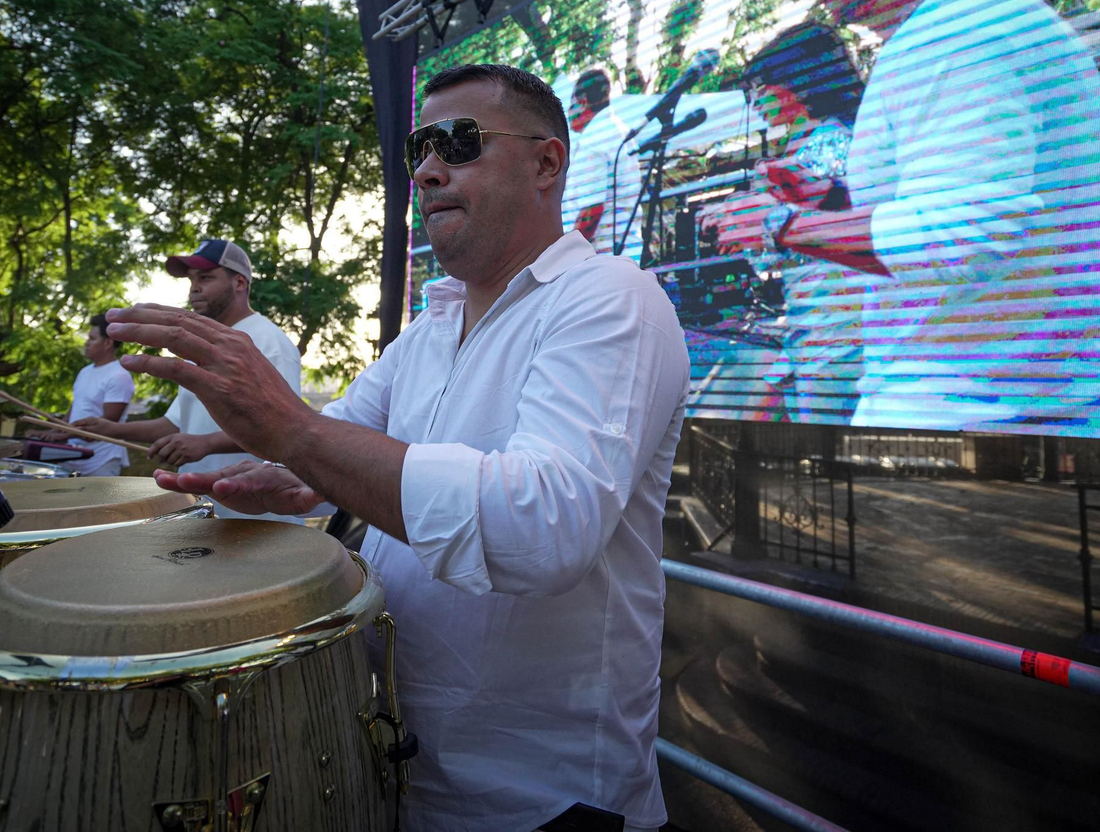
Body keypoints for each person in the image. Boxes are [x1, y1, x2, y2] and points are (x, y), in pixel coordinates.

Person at [105, 64, 690, 831]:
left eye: (458, 142)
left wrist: (297, 435)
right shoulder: (430, 327)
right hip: (400, 768)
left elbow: (547, 527)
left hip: (542, 800)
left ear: (547, 164)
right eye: (420, 148)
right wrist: (297, 473)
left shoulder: (611, 298)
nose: (427, 170)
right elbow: (343, 433)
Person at [758, 0, 1100, 439]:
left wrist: (782, 227)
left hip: (980, 427)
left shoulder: (949, 34)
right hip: (1014, 414)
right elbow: (967, 210)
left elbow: (964, 234)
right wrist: (831, 200)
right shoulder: (972, 22)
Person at [700, 21, 866, 424]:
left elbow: (816, 230)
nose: (754, 101)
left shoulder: (832, 142)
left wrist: (752, 222)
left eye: (760, 88)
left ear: (795, 84)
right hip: (811, 327)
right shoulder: (807, 144)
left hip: (837, 330)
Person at [74, 238, 304, 519]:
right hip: (202, 512)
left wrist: (205, 443)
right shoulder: (204, 346)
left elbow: (285, 428)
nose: (194, 287)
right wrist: (109, 429)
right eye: (192, 279)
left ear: (239, 283)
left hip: (258, 520)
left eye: (205, 277)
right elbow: (173, 424)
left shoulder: (269, 341)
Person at [561, 67, 643, 260]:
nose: (568, 114)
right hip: (623, 254)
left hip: (599, 258)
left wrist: (564, 258)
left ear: (582, 102)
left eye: (571, 105)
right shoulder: (620, 130)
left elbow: (591, 212)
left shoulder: (594, 139)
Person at [40, 314, 134, 475]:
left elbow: (108, 424)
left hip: (102, 461)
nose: (86, 343)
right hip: (73, 456)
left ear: (108, 343)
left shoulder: (119, 375)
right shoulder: (85, 371)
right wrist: (53, 431)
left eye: (92, 338)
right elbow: (74, 409)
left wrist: (65, 435)